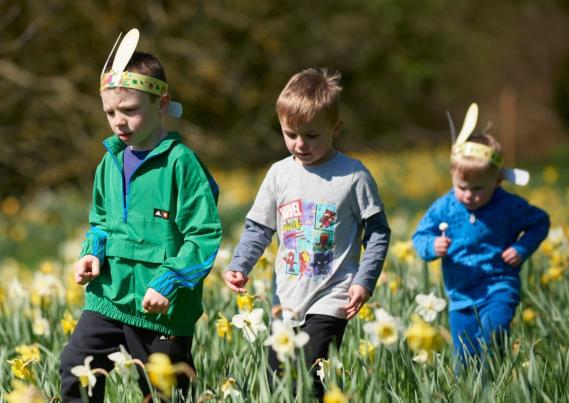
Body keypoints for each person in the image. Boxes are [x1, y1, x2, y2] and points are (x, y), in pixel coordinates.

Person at [60, 29, 222, 402]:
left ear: (162, 104)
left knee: (164, 390)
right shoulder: (109, 161)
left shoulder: (182, 164)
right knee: (75, 368)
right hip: (110, 296)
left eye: (130, 110)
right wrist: (91, 253)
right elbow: (101, 222)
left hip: (161, 308)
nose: (118, 122)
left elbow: (204, 235)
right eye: (110, 112)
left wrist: (168, 282)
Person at [223, 68, 390, 398]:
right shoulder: (278, 174)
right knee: (277, 382)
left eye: (312, 135)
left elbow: (378, 233)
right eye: (290, 134)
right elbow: (259, 227)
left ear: (335, 128)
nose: (300, 144)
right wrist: (240, 264)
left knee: (309, 379)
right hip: (284, 300)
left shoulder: (353, 176)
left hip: (332, 296)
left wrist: (363, 281)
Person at [412, 106, 549, 365]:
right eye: (461, 187)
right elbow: (420, 236)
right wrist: (433, 245)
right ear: (453, 176)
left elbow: (540, 222)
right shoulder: (445, 206)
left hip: (499, 286)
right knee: (463, 359)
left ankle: (496, 380)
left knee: (492, 335)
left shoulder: (508, 205)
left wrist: (522, 248)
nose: (468, 195)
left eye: (478, 188)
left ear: (497, 180)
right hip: (460, 296)